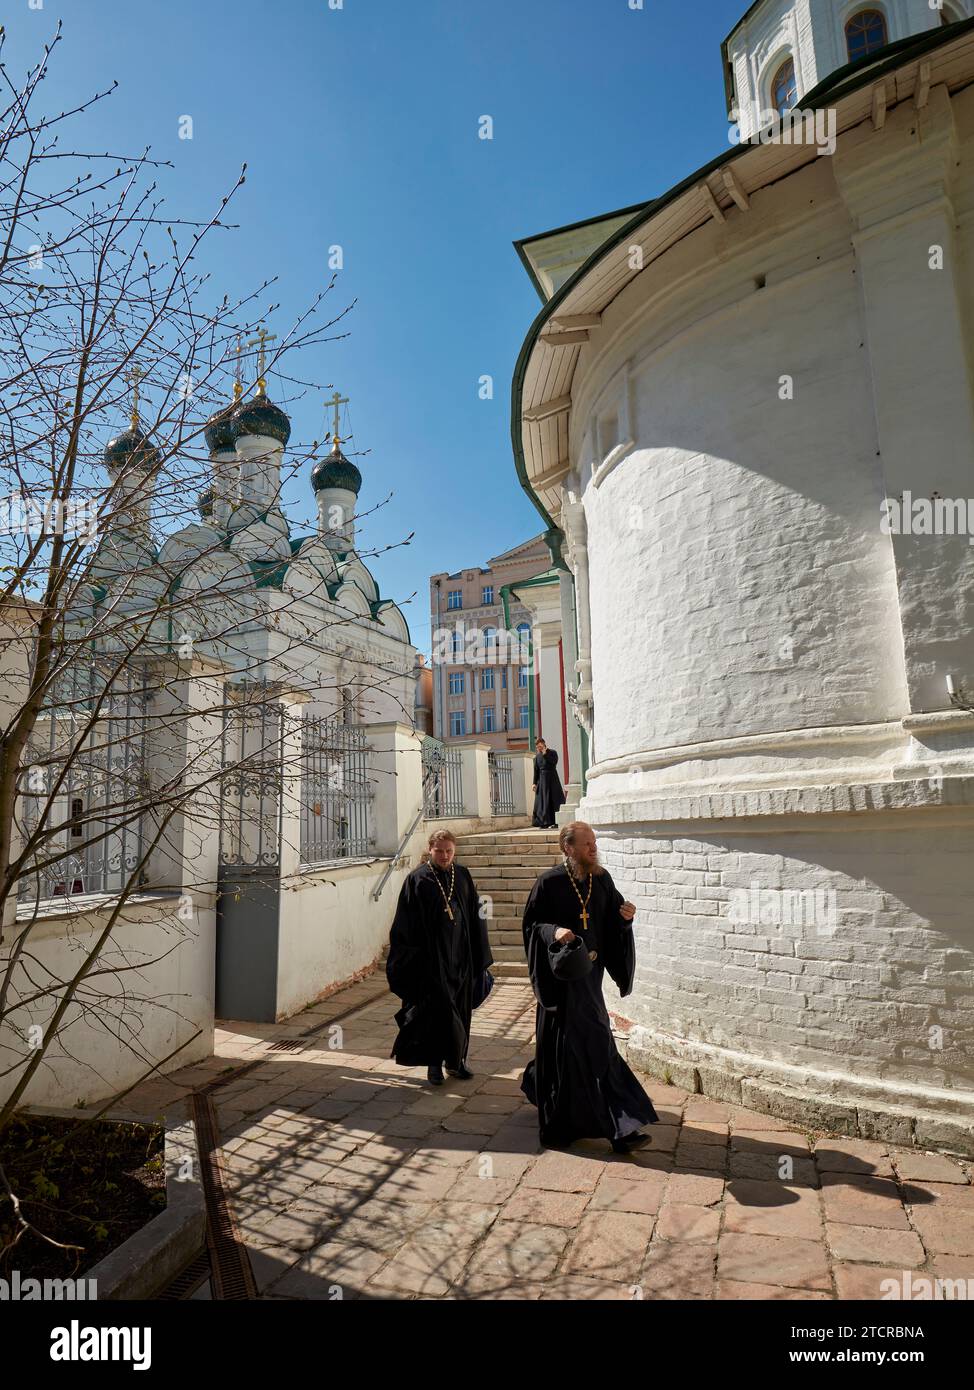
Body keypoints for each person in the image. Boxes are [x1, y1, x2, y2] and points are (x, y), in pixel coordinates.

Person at [520, 820, 659, 1152]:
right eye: (587, 844)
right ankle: (551, 1104)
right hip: (561, 985)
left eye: (594, 843)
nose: (593, 849)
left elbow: (612, 922)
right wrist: (553, 931)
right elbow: (532, 925)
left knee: (597, 1047)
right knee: (562, 1054)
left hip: (590, 982)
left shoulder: (602, 879)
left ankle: (621, 1130)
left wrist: (625, 918)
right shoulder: (549, 882)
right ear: (568, 847)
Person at [386, 828, 493, 1086]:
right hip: (433, 961)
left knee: (460, 1010)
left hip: (461, 958)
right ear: (430, 850)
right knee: (437, 1013)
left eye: (449, 851)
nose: (445, 856)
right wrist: (409, 958)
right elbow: (404, 923)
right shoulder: (418, 880)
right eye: (440, 851)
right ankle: (434, 1065)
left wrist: (480, 955)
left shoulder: (463, 875)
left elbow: (476, 916)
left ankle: (456, 1062)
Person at [532, 737, 565, 828]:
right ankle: (544, 822)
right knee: (543, 802)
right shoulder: (537, 757)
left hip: (553, 779)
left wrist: (545, 754)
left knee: (554, 800)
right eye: (537, 747)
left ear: (544, 744)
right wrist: (534, 783)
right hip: (542, 782)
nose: (539, 748)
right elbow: (536, 771)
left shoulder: (553, 753)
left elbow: (553, 762)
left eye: (540, 746)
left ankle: (556, 822)